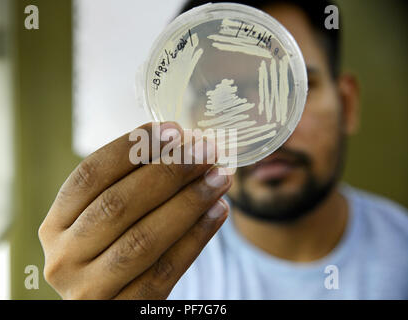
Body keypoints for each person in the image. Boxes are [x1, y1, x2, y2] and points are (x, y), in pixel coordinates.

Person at [38, 0, 408, 299]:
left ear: (348, 103)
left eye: (289, 88)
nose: (261, 123)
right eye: (220, 95)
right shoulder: (150, 275)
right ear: (185, 124)